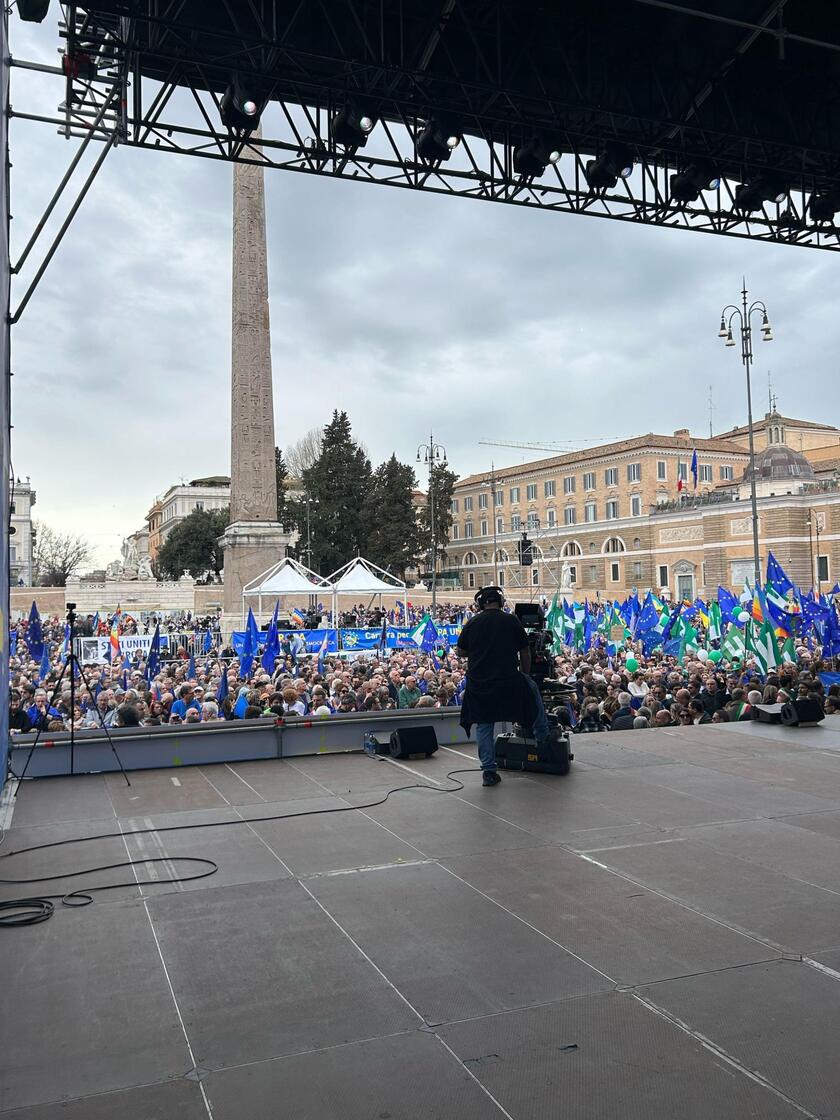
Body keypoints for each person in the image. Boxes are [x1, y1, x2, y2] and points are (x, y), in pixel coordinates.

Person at [457, 586, 551, 787]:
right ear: (500, 603)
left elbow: (461, 652)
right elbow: (525, 651)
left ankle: (489, 772)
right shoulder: (511, 620)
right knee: (533, 691)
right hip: (508, 680)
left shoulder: (472, 622)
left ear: (481, 604)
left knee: (484, 725)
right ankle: (543, 740)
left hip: (480, 684)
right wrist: (525, 676)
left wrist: (480, 649)